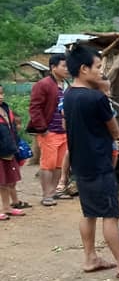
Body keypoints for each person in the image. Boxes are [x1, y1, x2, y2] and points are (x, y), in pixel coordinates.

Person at [63, 45, 119, 279]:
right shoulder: (96, 99)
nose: (102, 72)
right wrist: (105, 94)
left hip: (81, 163)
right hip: (99, 162)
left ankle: (90, 257)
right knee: (110, 214)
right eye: (98, 67)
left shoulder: (69, 95)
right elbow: (116, 131)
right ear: (84, 69)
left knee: (89, 212)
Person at [28, 53, 70, 206]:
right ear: (53, 67)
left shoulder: (66, 84)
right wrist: (42, 129)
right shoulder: (43, 84)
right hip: (49, 131)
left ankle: (53, 193)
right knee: (48, 165)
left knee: (59, 165)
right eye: (63, 66)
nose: (67, 69)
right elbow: (34, 108)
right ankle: (46, 195)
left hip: (64, 131)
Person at [0, 85, 27, 220]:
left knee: (6, 181)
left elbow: (13, 130)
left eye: (2, 93)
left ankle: (7, 207)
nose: (1, 96)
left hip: (8, 150)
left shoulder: (5, 108)